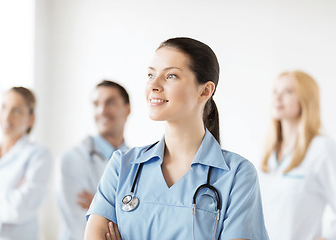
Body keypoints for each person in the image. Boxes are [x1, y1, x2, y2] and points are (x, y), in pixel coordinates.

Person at [84, 37, 269, 240]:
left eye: (171, 76)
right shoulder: (123, 167)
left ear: (205, 91)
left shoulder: (237, 175)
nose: (153, 85)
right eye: (150, 75)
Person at [259, 70, 336, 240]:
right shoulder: (268, 152)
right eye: (275, 91)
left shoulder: (321, 148)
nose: (278, 98)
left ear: (305, 99)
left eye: (288, 91)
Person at [0, 87, 52, 240]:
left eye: (16, 111)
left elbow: (18, 209)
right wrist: (6, 199)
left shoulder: (39, 155)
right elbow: (10, 206)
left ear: (31, 119)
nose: (7, 117)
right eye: (4, 107)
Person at [56, 80, 131, 240]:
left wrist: (99, 205)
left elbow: (143, 222)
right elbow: (81, 225)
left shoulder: (137, 162)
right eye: (96, 104)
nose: (102, 110)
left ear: (127, 109)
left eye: (110, 103)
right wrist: (123, 209)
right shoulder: (72, 158)